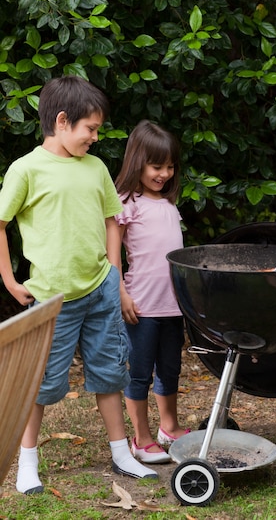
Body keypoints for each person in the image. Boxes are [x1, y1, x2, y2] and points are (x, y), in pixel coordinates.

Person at [0, 76, 158, 495]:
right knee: (42, 383)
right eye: (90, 128)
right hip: (51, 297)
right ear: (63, 121)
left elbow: (111, 220)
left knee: (109, 373)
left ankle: (122, 453)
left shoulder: (96, 168)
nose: (95, 137)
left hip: (100, 290)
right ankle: (27, 462)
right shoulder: (26, 168)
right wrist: (9, 279)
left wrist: (112, 272)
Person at [114, 120, 190, 465]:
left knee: (170, 369)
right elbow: (110, 254)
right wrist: (121, 293)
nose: (164, 173)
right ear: (137, 162)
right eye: (157, 166)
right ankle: (141, 437)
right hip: (141, 306)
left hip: (173, 307)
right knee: (140, 373)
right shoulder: (125, 202)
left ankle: (169, 427)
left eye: (170, 166)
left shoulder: (169, 206)